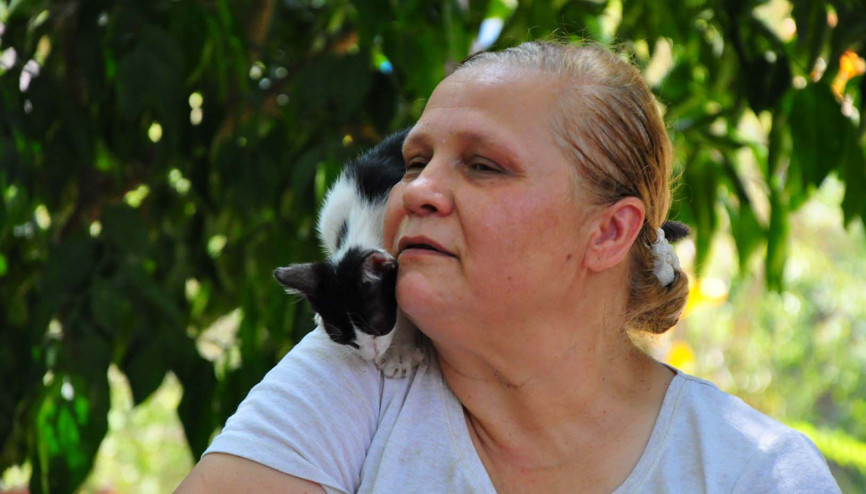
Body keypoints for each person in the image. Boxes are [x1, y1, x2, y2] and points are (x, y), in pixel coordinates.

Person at [176, 41, 840, 493]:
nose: (415, 192)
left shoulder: (753, 472)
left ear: (610, 231)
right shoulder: (358, 372)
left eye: (483, 165)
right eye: (415, 162)